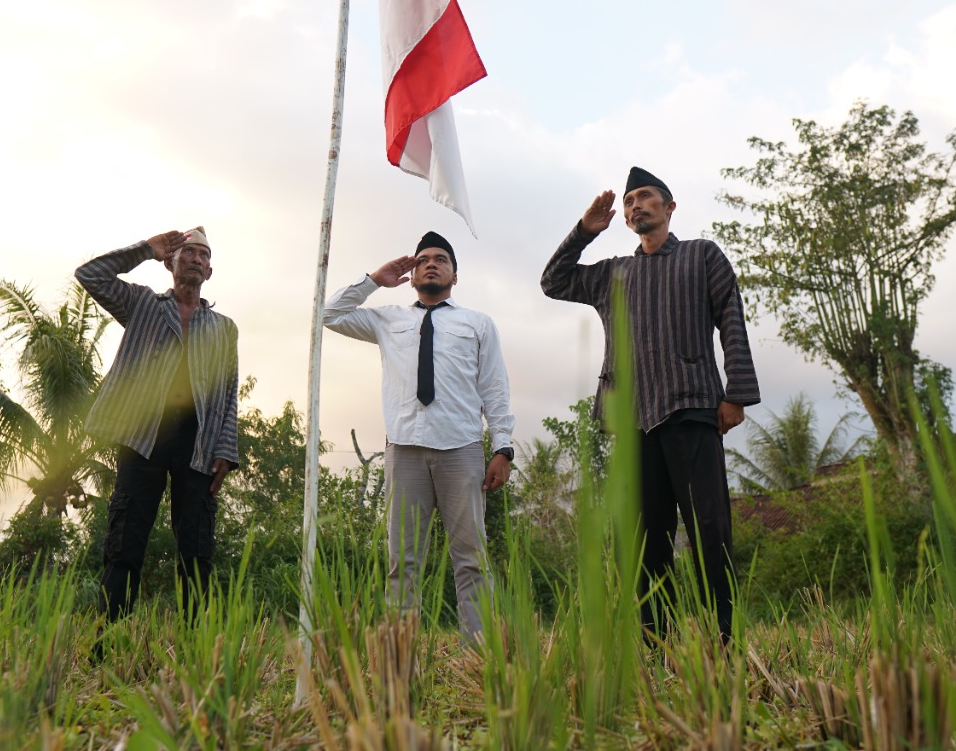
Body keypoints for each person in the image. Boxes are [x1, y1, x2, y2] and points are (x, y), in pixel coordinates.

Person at [541, 167, 760, 643]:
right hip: (633, 420)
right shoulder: (613, 273)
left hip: (694, 408)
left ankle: (724, 639)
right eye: (628, 202)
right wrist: (583, 232)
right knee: (645, 540)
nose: (635, 205)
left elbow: (731, 319)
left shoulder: (702, 255)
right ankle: (657, 646)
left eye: (645, 197)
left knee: (709, 528)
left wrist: (737, 392)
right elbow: (552, 282)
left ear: (670, 207)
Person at [324, 231, 515, 641]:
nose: (431, 263)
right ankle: (400, 650)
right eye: (423, 259)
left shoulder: (477, 323)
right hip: (404, 449)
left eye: (441, 259)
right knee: (403, 560)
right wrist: (375, 279)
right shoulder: (387, 318)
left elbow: (494, 388)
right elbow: (328, 314)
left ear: (455, 275)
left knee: (471, 558)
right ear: (411, 274)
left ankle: (478, 654)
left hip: (460, 449)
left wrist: (502, 448)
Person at [75, 227, 239, 622]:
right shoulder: (143, 304)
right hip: (142, 436)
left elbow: (228, 391)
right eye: (188, 252)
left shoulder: (223, 328)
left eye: (203, 254)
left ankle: (195, 648)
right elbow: (90, 275)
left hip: (198, 443)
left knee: (196, 548)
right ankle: (108, 639)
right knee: (125, 539)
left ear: (210, 270)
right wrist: (145, 249)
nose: (196, 259)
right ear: (171, 263)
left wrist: (226, 450)